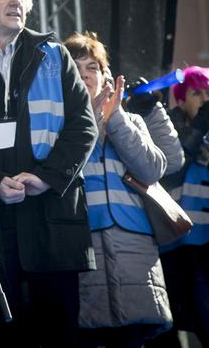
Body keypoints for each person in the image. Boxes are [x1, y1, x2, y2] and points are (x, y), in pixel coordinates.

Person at [0, 0, 98, 347]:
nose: (16, 1)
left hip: (50, 215)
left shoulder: (53, 55)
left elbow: (83, 126)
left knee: (59, 333)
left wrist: (48, 177)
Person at [64, 32, 172, 347]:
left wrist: (115, 121)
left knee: (133, 338)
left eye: (92, 67)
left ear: (105, 76)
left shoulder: (131, 121)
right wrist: (90, 123)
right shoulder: (57, 123)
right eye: (75, 66)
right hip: (83, 244)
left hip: (134, 245)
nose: (85, 73)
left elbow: (153, 169)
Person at [147, 66, 209, 347]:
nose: (206, 98)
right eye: (198, 93)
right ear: (182, 100)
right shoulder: (171, 129)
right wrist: (201, 124)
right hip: (178, 244)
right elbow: (176, 164)